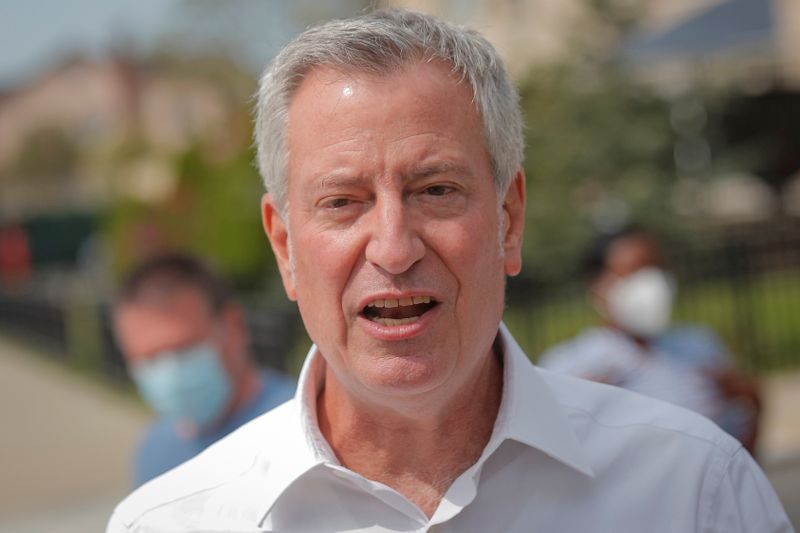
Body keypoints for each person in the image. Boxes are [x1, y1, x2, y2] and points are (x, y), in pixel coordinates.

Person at [108, 10, 791, 532]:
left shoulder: (693, 489)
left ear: (509, 219)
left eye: (436, 190)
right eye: (343, 202)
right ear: (285, 246)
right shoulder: (175, 522)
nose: (395, 246)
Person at [540, 229, 762, 454]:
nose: (653, 283)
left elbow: (739, 447)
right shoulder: (569, 366)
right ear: (599, 285)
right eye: (636, 272)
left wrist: (753, 401)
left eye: (658, 268)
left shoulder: (699, 346)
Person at [112, 253, 296, 487]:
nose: (169, 374)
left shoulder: (303, 428)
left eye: (184, 350)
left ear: (233, 326)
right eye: (150, 360)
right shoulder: (154, 452)